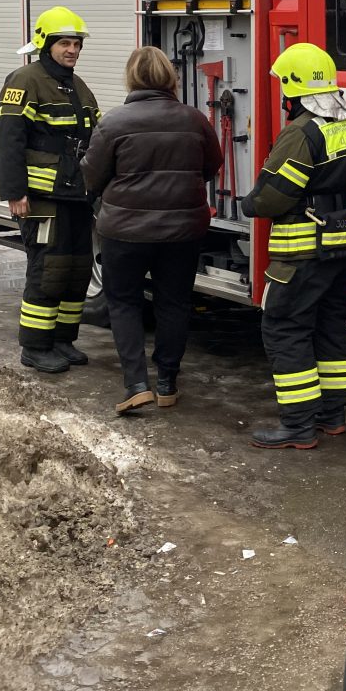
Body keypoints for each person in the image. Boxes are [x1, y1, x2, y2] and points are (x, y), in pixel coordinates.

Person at [239, 42, 346, 449]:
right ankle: (332, 416)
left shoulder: (299, 133)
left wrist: (249, 202)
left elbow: (273, 197)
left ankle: (296, 425)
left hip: (301, 253)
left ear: (293, 90)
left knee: (284, 328)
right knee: (331, 327)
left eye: (283, 86)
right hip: (343, 249)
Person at [81, 46, 222, 415]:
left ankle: (136, 384)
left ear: (131, 78)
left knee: (124, 302)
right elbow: (212, 166)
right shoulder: (195, 120)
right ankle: (167, 383)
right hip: (182, 230)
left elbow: (92, 176)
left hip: (124, 231)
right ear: (170, 78)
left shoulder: (113, 122)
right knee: (173, 303)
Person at [0, 7, 101, 374]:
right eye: (64, 43)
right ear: (45, 43)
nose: (72, 50)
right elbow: (8, 140)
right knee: (48, 269)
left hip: (76, 194)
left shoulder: (76, 84)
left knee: (76, 268)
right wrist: (14, 192)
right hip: (41, 196)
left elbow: (94, 135)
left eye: (76, 44)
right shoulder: (25, 80)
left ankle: (62, 339)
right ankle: (35, 346)